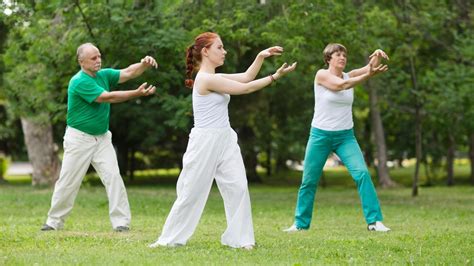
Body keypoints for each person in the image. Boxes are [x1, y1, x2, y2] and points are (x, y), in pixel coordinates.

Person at [149, 32, 296, 249]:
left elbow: (246, 77)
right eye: (220, 47)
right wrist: (274, 77)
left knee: (238, 186)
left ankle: (242, 239)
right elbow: (245, 88)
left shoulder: (216, 77)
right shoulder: (206, 79)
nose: (224, 51)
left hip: (225, 138)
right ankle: (169, 239)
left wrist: (260, 57)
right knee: (191, 191)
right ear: (206, 51)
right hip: (205, 141)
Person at [41, 43, 158, 232]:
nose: (98, 60)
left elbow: (128, 72)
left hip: (102, 138)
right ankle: (54, 222)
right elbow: (107, 97)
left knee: (113, 177)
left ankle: (121, 223)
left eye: (99, 56)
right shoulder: (79, 81)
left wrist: (144, 64)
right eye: (93, 58)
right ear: (81, 62)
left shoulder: (103, 75)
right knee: (68, 182)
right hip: (79, 139)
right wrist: (136, 94)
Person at [284, 43, 391, 232]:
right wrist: (368, 75)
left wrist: (377, 55)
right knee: (309, 180)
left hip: (345, 137)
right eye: (337, 54)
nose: (342, 57)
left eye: (344, 55)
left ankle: (375, 221)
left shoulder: (350, 75)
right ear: (328, 59)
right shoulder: (321, 75)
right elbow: (342, 85)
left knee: (362, 174)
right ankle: (300, 224)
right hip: (320, 136)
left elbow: (369, 68)